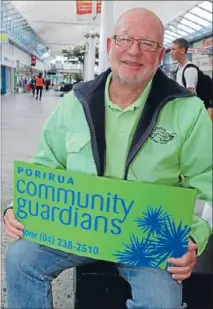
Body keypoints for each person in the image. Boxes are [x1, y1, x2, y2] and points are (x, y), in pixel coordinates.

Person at [4, 8, 212, 309]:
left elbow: (208, 182)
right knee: (20, 260)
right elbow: (46, 163)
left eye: (147, 44)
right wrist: (19, 205)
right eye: (126, 39)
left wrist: (193, 237)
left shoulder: (187, 110)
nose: (134, 51)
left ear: (160, 54)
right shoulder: (75, 102)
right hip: (79, 226)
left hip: (147, 238)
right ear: (110, 46)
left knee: (162, 301)